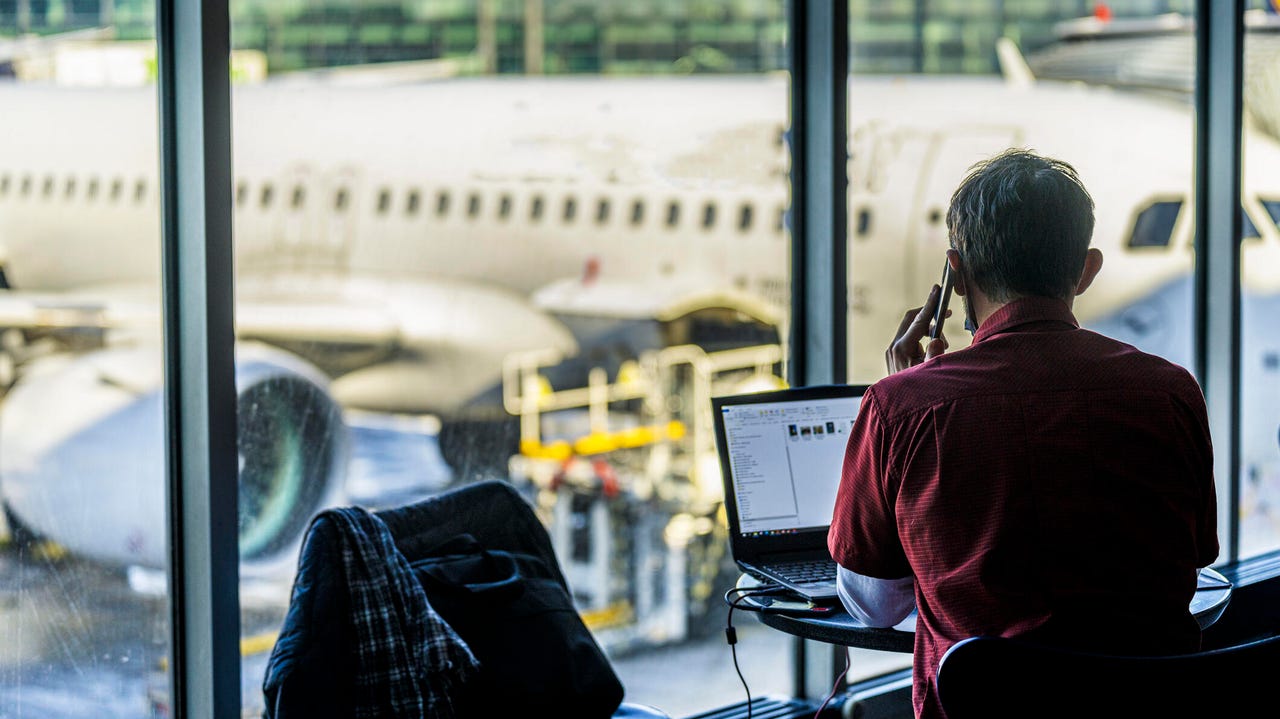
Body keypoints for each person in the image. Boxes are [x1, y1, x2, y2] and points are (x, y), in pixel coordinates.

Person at [827, 148, 1218, 719]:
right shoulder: (1171, 392)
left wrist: (907, 395)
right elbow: (1196, 557)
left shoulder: (902, 407)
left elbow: (874, 605)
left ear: (955, 276)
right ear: (1086, 271)